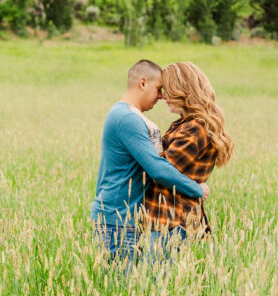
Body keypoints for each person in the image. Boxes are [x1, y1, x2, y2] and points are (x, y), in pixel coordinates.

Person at [90, 59, 208, 266]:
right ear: (142, 83)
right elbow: (157, 169)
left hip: (123, 218)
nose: (162, 96)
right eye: (159, 89)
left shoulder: (129, 116)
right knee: (121, 288)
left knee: (128, 289)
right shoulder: (126, 118)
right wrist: (197, 189)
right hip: (117, 220)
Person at [143, 61, 233, 255]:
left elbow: (161, 170)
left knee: (155, 282)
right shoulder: (184, 124)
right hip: (168, 219)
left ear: (183, 90)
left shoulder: (196, 127)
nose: (163, 96)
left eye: (168, 90)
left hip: (170, 221)